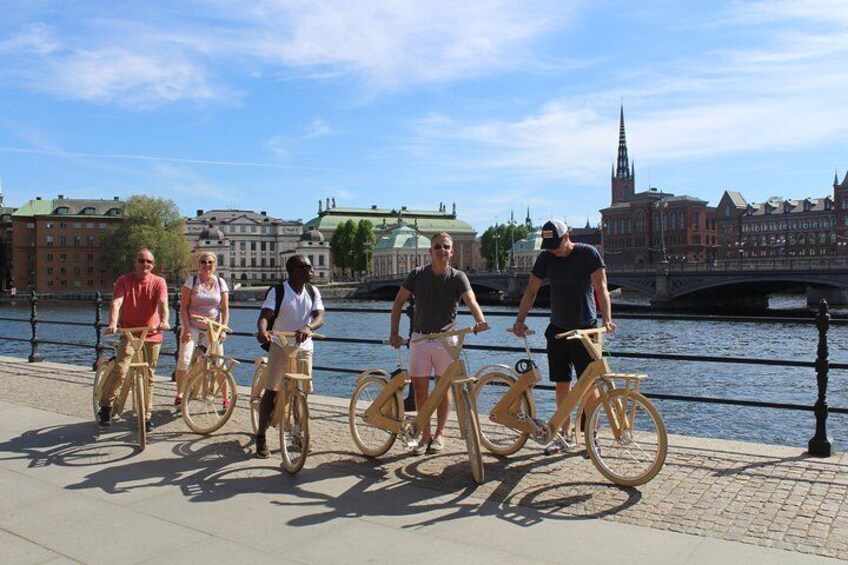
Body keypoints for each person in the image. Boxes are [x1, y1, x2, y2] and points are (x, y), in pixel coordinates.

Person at [511, 219, 615, 455]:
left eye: (557, 244)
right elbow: (531, 290)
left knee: (589, 388)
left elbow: (601, 288)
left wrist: (607, 319)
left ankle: (591, 437)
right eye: (550, 246)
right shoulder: (547, 257)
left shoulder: (588, 254)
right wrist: (520, 320)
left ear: (567, 236)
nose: (554, 250)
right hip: (558, 330)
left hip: (585, 331)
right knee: (561, 386)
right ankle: (565, 435)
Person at [389, 232, 489, 454]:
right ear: (430, 251)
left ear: (452, 252)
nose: (442, 250)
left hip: (446, 339)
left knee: (443, 388)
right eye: (437, 247)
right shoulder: (417, 275)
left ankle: (439, 435)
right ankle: (424, 435)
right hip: (421, 338)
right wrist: (394, 333)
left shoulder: (458, 276)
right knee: (421, 391)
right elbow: (398, 303)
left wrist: (480, 320)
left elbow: (470, 300)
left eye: (446, 247)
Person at [253, 254, 325, 458]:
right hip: (280, 344)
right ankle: (261, 436)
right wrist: (263, 331)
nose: (311, 271)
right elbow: (265, 316)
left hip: (304, 346)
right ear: (293, 271)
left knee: (300, 393)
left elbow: (320, 316)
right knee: (272, 390)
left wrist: (308, 326)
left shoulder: (313, 291)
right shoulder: (278, 291)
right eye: (305, 268)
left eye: (310, 268)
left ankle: (298, 434)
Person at [98, 247, 170, 431]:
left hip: (152, 332)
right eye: (141, 260)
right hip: (129, 332)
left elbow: (163, 304)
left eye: (149, 262)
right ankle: (106, 406)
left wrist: (164, 320)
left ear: (153, 265)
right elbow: (117, 302)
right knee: (121, 371)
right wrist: (112, 323)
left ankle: (146, 416)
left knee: (149, 375)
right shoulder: (124, 280)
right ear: (135, 262)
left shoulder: (159, 282)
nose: (145, 264)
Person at [174, 251, 229, 406]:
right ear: (198, 265)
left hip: (213, 327)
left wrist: (223, 329)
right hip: (193, 325)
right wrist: (186, 329)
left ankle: (225, 397)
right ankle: (180, 393)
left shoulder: (220, 282)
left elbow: (224, 308)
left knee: (218, 363)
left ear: (215, 264)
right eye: (203, 262)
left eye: (210, 262)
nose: (207, 265)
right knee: (184, 359)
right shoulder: (191, 282)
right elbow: (183, 308)